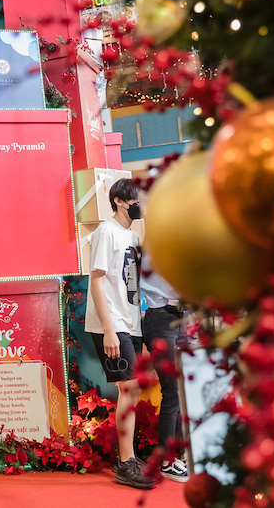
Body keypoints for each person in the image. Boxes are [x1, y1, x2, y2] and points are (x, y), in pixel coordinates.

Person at [85, 178, 156, 490]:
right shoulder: (107, 232)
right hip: (112, 324)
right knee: (129, 388)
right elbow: (96, 280)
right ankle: (126, 463)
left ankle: (129, 458)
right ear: (118, 201)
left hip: (131, 322)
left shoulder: (132, 235)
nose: (138, 204)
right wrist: (109, 330)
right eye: (134, 199)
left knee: (133, 391)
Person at [141, 251, 190, 482]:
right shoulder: (156, 247)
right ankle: (167, 461)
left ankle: (181, 455)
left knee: (182, 391)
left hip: (182, 317)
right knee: (172, 391)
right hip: (161, 318)